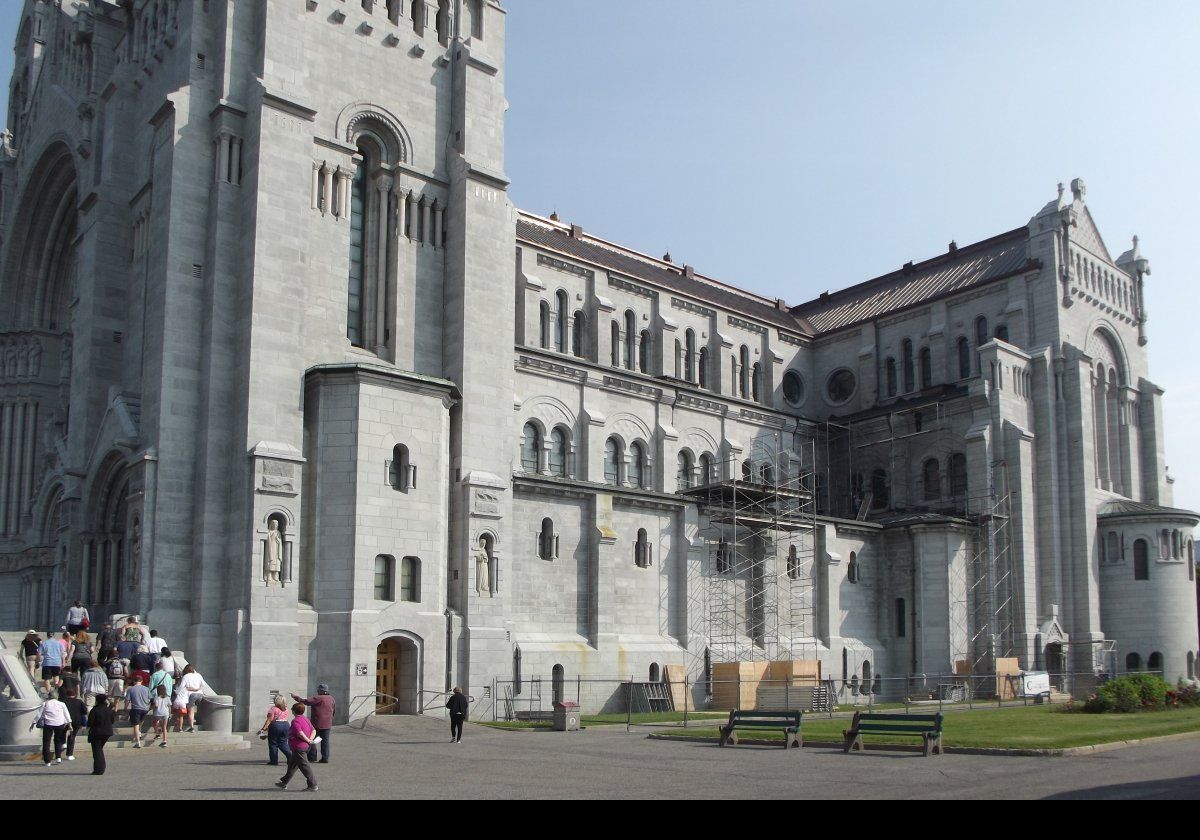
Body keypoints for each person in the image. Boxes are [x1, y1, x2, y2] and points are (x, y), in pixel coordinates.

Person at [275, 702, 318, 792]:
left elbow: (299, 733)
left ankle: (313, 785)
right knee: (292, 765)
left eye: (292, 709)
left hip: (299, 748)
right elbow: (313, 730)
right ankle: (284, 782)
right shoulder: (305, 719)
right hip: (303, 747)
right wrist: (310, 740)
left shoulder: (295, 721)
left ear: (294, 711)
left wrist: (307, 740)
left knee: (304, 766)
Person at [291, 684, 335, 764]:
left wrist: (295, 697)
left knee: (312, 739)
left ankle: (312, 756)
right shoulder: (331, 698)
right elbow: (333, 710)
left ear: (320, 690)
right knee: (325, 741)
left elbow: (306, 701)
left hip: (317, 722)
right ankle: (325, 758)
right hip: (327, 723)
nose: (317, 691)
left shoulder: (318, 698)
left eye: (318, 690)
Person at [31, 692, 71, 766]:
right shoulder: (62, 704)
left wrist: (34, 722)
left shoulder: (45, 703)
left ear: (49, 696)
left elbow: (39, 714)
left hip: (48, 724)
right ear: (57, 696)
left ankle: (47, 761)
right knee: (58, 740)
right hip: (60, 723)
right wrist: (69, 723)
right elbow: (66, 714)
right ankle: (58, 757)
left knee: (46, 742)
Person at [257, 694, 292, 766]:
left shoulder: (273, 709)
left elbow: (269, 719)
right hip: (286, 725)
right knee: (283, 743)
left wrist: (263, 729)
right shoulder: (286, 709)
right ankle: (290, 755)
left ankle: (274, 761)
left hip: (276, 725)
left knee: (273, 744)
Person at [87, 694, 116, 775]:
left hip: (97, 732)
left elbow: (90, 722)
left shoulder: (95, 710)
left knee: (97, 751)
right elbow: (112, 721)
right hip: (107, 732)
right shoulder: (109, 710)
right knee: (99, 749)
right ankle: (98, 768)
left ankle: (99, 769)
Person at [174, 665, 205, 732]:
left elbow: (182, 686)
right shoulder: (198, 675)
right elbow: (203, 684)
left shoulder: (185, 676)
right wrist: (197, 689)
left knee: (191, 711)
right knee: (193, 709)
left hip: (191, 695)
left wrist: (177, 692)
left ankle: (192, 727)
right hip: (200, 695)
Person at [125, 675, 151, 748]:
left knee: (135, 725)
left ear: (133, 681)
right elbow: (149, 699)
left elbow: (127, 700)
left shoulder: (131, 689)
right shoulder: (146, 689)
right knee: (140, 722)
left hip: (136, 708)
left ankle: (138, 742)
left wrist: (126, 709)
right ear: (141, 681)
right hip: (145, 709)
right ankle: (139, 733)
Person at [62, 688, 86, 761]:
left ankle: (63, 743)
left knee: (62, 732)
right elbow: (84, 711)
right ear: (75, 695)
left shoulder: (63, 702)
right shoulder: (79, 701)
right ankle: (69, 754)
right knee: (72, 737)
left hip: (64, 720)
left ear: (67, 695)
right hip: (76, 721)